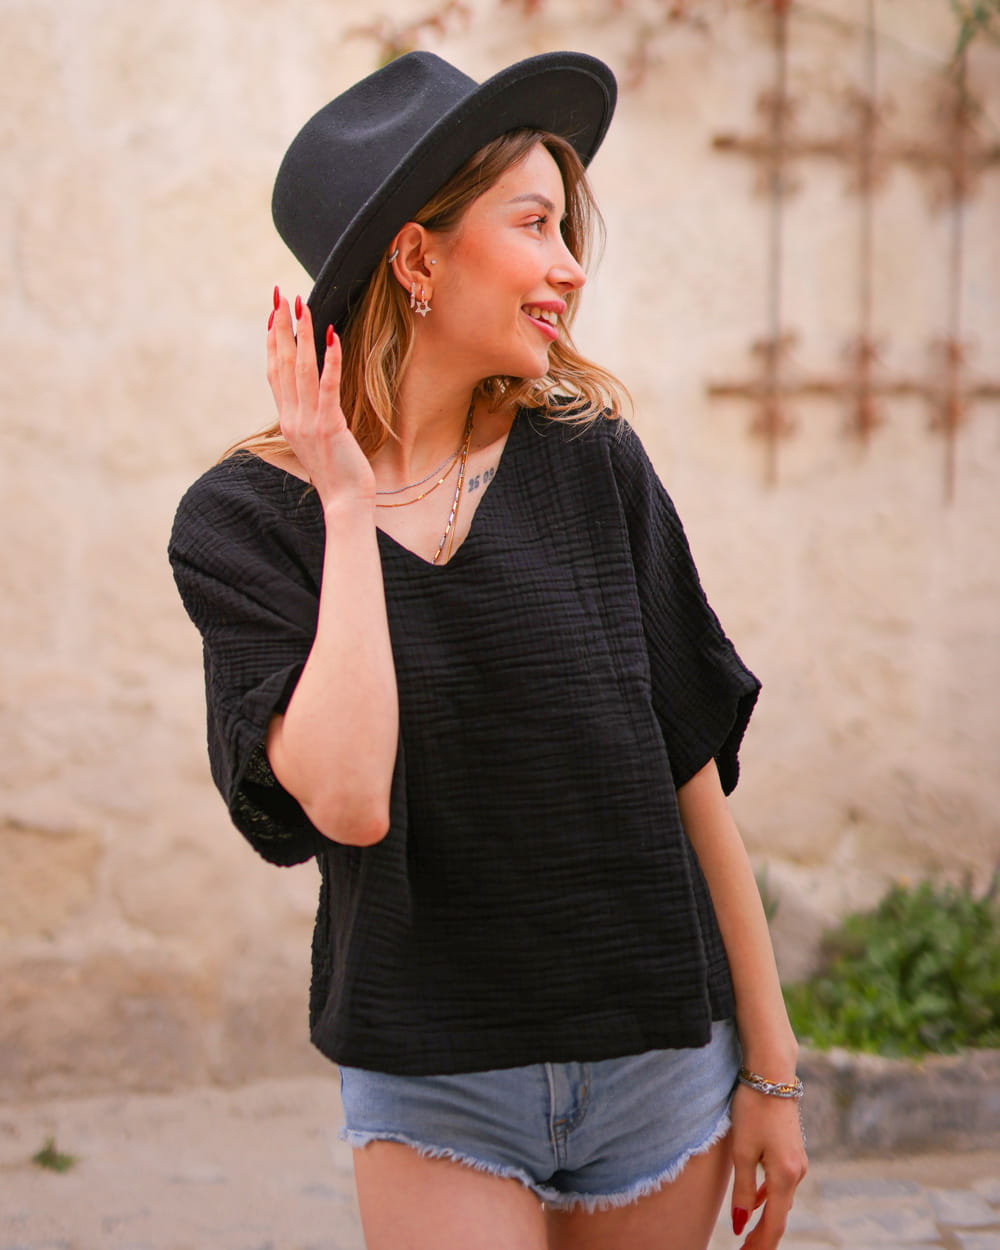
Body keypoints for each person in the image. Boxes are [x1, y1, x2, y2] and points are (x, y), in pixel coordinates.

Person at [169, 49, 807, 1250]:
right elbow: (349, 800)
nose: (569, 265)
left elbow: (691, 772)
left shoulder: (592, 462)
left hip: (660, 1065)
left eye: (568, 228)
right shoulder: (245, 525)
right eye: (533, 223)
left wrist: (769, 1068)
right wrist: (350, 508)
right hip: (435, 1080)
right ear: (417, 258)